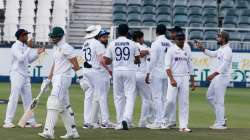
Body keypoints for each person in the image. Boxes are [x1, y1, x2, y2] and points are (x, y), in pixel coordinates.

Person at [38, 26, 83, 139]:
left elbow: (75, 64)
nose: (52, 39)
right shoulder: (57, 48)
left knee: (53, 102)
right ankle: (72, 132)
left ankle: (48, 131)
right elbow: (55, 64)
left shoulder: (67, 48)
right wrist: (48, 79)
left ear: (60, 36)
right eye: (51, 37)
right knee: (63, 107)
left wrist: (82, 79)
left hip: (63, 78)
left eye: (54, 37)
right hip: (57, 78)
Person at [3, 29, 45, 128]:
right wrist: (30, 48)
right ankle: (7, 121)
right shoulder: (15, 46)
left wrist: (37, 53)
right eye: (26, 35)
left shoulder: (25, 46)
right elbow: (21, 58)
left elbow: (28, 60)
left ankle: (30, 121)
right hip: (16, 73)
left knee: (28, 99)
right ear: (21, 36)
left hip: (25, 74)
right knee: (14, 97)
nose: (27, 37)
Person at [103, 24, 140, 130]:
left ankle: (120, 122)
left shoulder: (112, 43)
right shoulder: (132, 43)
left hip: (117, 71)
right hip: (129, 70)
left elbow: (106, 60)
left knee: (118, 97)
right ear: (127, 32)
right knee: (130, 96)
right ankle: (126, 119)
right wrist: (133, 61)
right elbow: (137, 59)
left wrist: (114, 60)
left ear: (118, 32)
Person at [195, 31, 232, 130]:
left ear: (223, 39)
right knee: (209, 96)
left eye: (218, 37)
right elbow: (212, 54)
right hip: (218, 77)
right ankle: (222, 117)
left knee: (219, 100)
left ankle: (221, 123)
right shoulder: (221, 49)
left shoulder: (227, 50)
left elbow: (224, 66)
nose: (217, 38)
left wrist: (213, 74)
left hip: (222, 77)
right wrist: (202, 48)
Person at [82, 27, 114, 129]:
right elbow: (102, 60)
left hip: (86, 71)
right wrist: (110, 69)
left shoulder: (85, 43)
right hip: (96, 71)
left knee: (88, 96)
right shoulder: (97, 44)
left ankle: (87, 122)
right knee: (102, 95)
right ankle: (105, 121)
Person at [164, 31, 195, 132]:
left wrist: (193, 81)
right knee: (170, 101)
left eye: (182, 39)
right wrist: (172, 79)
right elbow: (167, 67)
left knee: (184, 103)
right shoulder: (171, 50)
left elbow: (190, 65)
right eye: (179, 39)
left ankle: (183, 126)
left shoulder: (187, 49)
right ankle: (164, 121)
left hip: (185, 77)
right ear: (175, 40)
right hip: (174, 77)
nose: (181, 41)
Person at [145, 24, 172, 129]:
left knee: (157, 97)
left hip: (157, 72)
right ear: (165, 32)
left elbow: (153, 60)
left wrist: (148, 73)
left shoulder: (155, 43)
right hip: (167, 73)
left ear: (156, 32)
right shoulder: (170, 43)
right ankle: (165, 121)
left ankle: (158, 121)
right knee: (165, 98)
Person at [132, 31, 154, 127]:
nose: (143, 39)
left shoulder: (130, 45)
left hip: (131, 75)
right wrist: (148, 51)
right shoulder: (145, 47)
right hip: (141, 75)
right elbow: (149, 59)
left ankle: (127, 121)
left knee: (130, 99)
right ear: (138, 38)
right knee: (147, 99)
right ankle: (142, 122)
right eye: (142, 37)